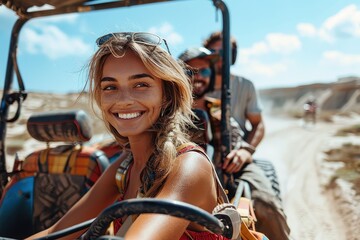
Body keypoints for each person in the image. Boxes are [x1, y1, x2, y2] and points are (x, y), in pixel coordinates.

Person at [27, 32, 230, 240]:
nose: (123, 100)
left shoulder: (189, 167)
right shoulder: (125, 166)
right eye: (110, 87)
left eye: (141, 84)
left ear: (167, 95)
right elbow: (57, 233)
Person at [178, 46, 291, 240]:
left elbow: (235, 136)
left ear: (211, 75)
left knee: (267, 204)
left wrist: (241, 153)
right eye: (190, 72)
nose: (198, 77)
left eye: (204, 71)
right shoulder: (169, 110)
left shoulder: (217, 109)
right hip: (181, 179)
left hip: (228, 171)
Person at [202, 31, 265, 148]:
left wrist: (246, 151)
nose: (218, 57)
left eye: (223, 52)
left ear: (233, 56)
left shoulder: (246, 86)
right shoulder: (197, 86)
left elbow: (258, 124)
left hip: (235, 151)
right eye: (212, 52)